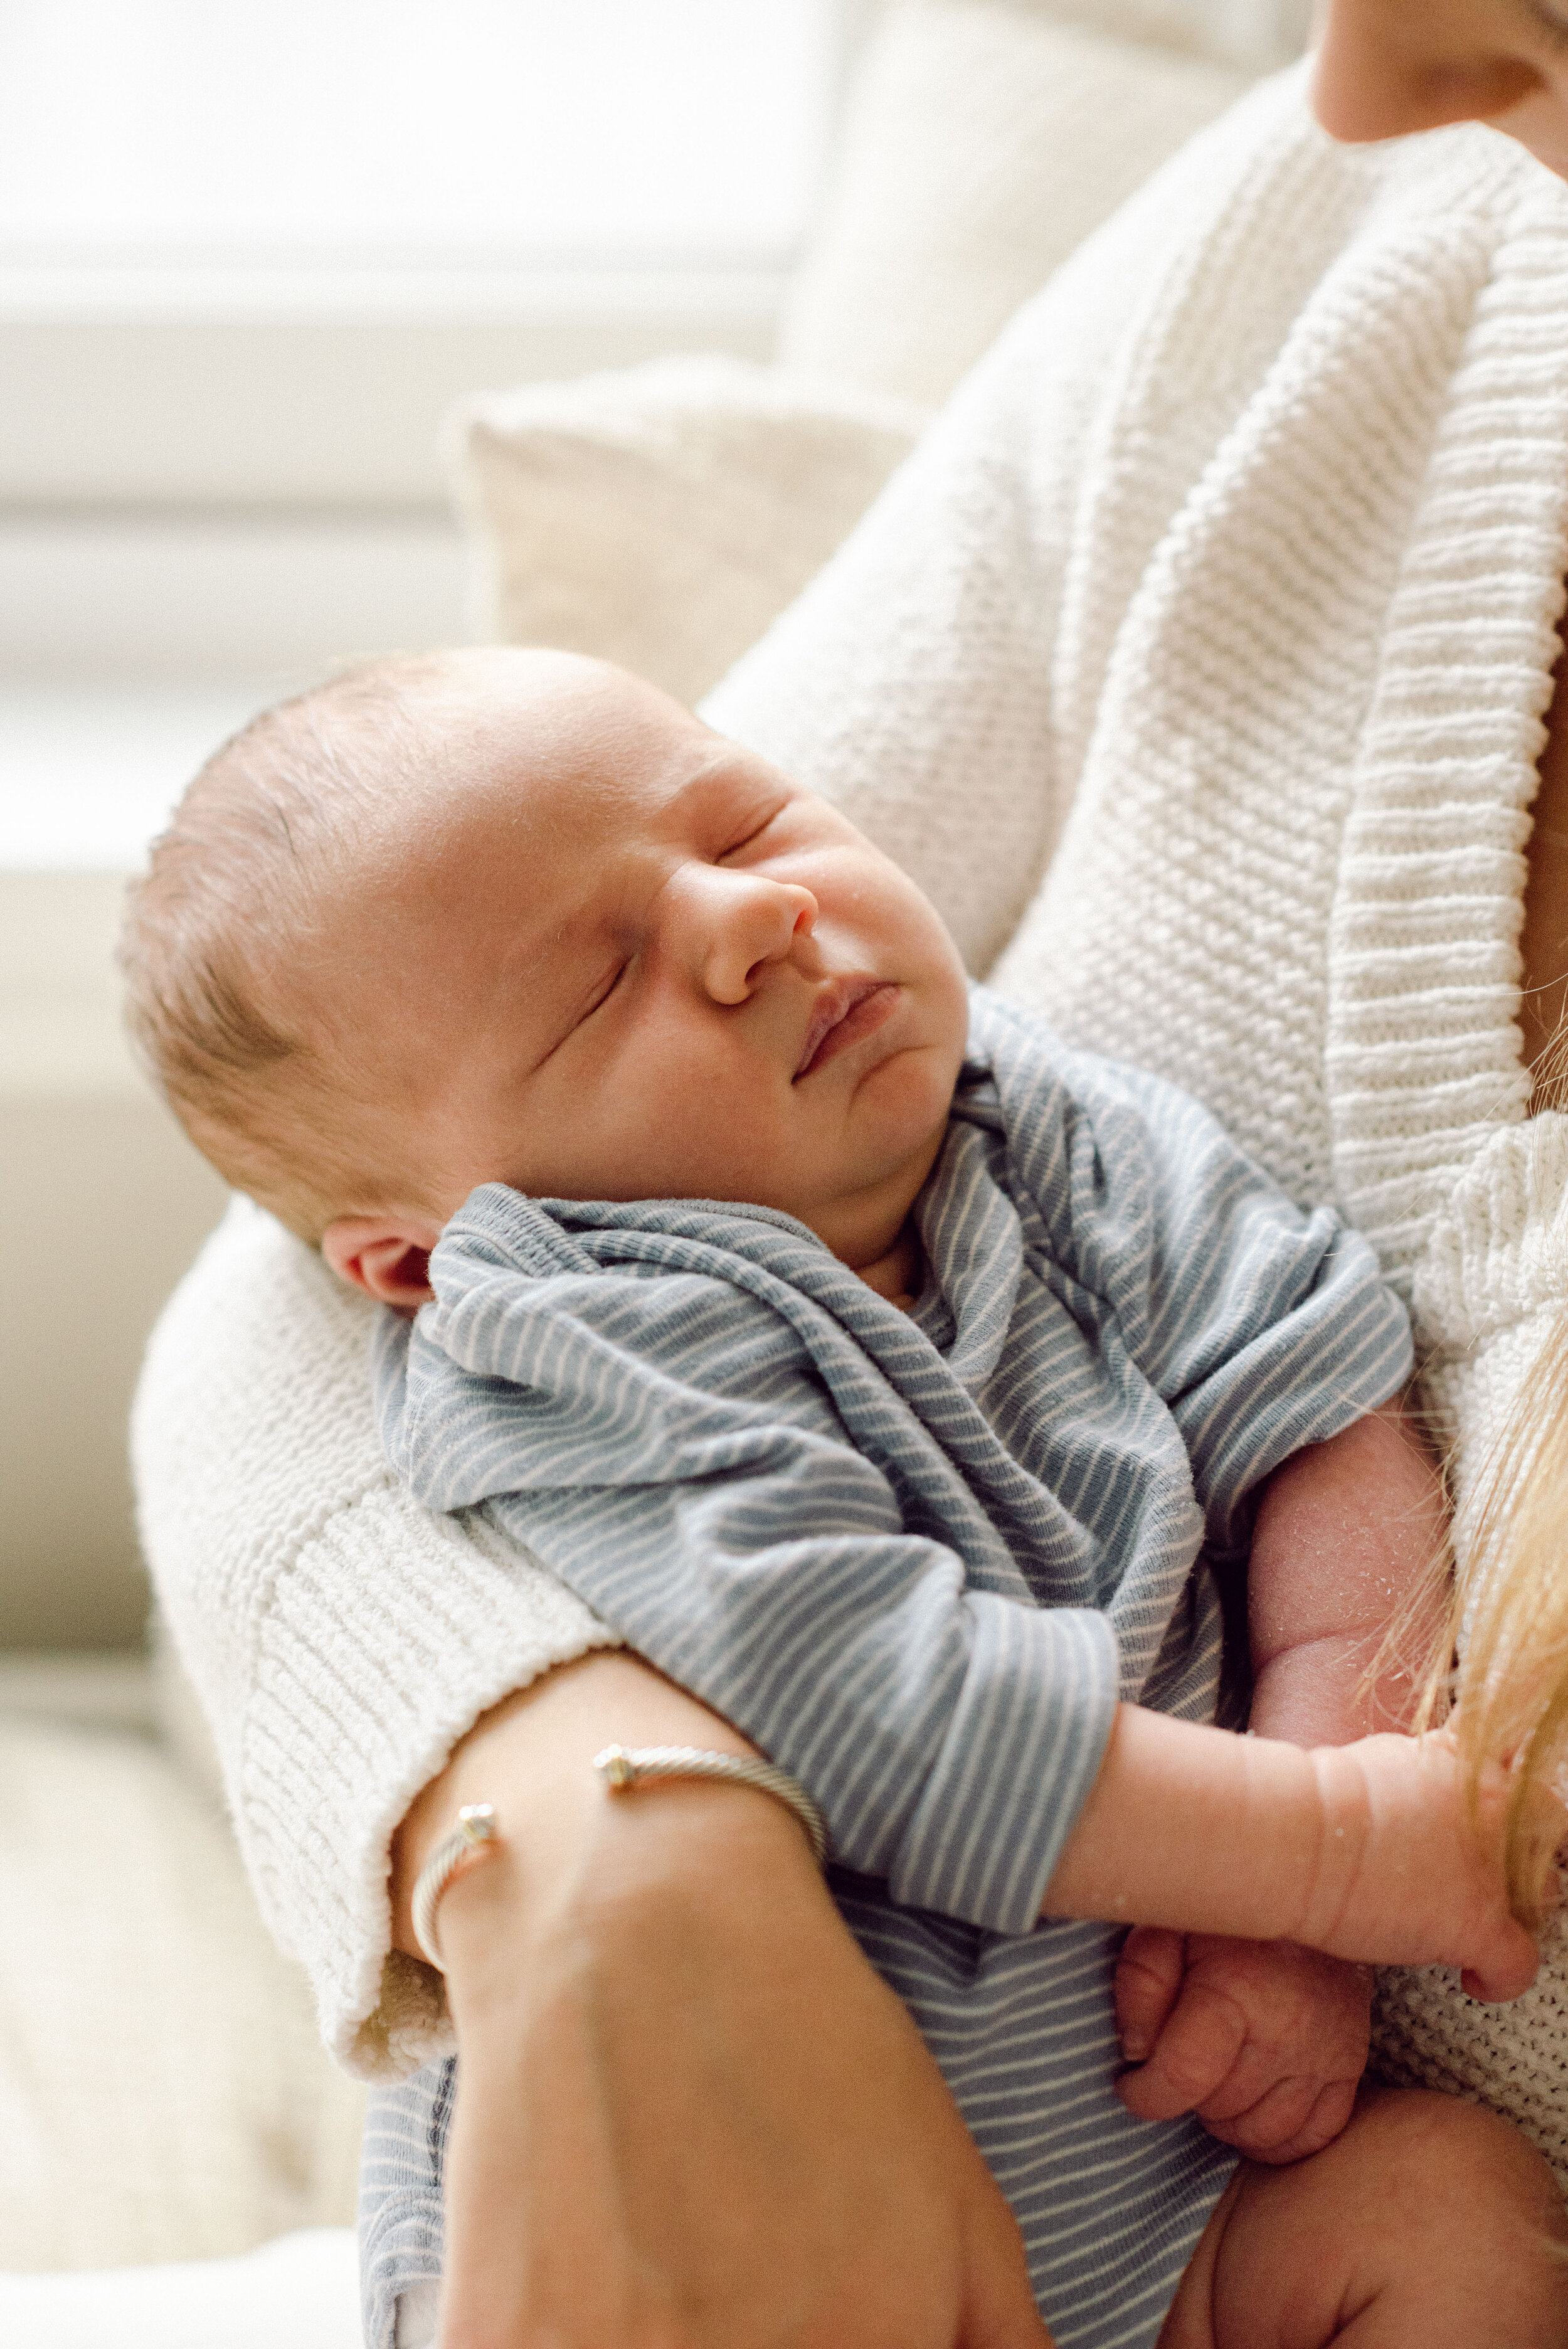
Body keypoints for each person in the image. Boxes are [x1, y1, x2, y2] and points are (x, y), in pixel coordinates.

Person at [126, 3, 1568, 2343]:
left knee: (1445, 2214)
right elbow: (859, 1680)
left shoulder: (1048, 1140)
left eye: (744, 820)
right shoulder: (570, 1331)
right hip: (758, 2274)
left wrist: (1327, 1790)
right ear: (426, 1249)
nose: (752, 915)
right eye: (596, 987)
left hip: (1185, 2229)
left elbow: (1307, 1383)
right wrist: (1312, 1849)